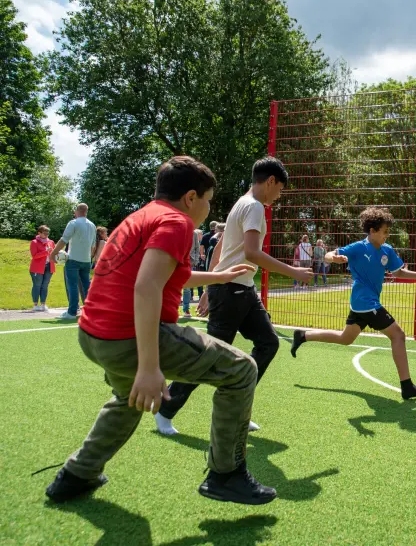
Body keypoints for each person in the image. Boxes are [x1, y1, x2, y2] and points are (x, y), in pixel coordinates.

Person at [45, 156, 277, 506]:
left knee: (127, 401)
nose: (208, 206)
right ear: (190, 198)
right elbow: (147, 286)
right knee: (242, 369)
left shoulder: (141, 217)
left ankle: (77, 474)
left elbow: (166, 275)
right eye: (208, 198)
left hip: (94, 334)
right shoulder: (176, 222)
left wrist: (219, 276)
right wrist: (150, 367)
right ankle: (225, 474)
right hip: (130, 336)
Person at [154, 157, 313, 436]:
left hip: (240, 289)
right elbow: (251, 252)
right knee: (208, 355)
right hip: (230, 293)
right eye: (280, 189)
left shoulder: (242, 203)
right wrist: (293, 271)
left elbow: (223, 248)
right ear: (270, 181)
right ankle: (166, 408)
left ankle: (238, 408)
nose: (279, 196)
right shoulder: (253, 207)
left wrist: (210, 284)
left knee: (268, 343)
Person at [291, 207, 416, 400]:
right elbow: (328, 254)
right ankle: (407, 386)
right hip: (365, 302)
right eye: (384, 231)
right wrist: (333, 258)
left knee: (345, 338)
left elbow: (398, 272)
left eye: (388, 232)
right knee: (398, 335)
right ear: (372, 231)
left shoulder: (387, 250)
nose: (387, 235)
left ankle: (303, 335)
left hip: (363, 304)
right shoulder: (359, 247)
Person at [50, 203, 97, 319]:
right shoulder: (92, 225)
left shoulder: (73, 223)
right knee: (87, 286)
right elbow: (93, 246)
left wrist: (53, 253)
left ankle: (71, 312)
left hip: (73, 259)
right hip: (86, 260)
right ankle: (90, 312)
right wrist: (89, 257)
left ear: (77, 211)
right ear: (86, 211)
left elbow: (63, 240)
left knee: (72, 285)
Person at [29, 225, 56, 311]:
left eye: (47, 233)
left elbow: (54, 253)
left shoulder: (51, 242)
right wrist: (46, 252)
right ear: (39, 233)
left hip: (49, 267)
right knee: (37, 285)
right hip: (37, 268)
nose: (46, 235)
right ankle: (35, 305)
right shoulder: (34, 242)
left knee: (45, 286)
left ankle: (43, 304)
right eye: (44, 233)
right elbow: (34, 256)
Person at [181, 229, 201, 318]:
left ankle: (186, 309)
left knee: (187, 287)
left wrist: (196, 260)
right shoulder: (175, 230)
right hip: (176, 260)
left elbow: (197, 247)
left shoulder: (194, 233)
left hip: (190, 261)